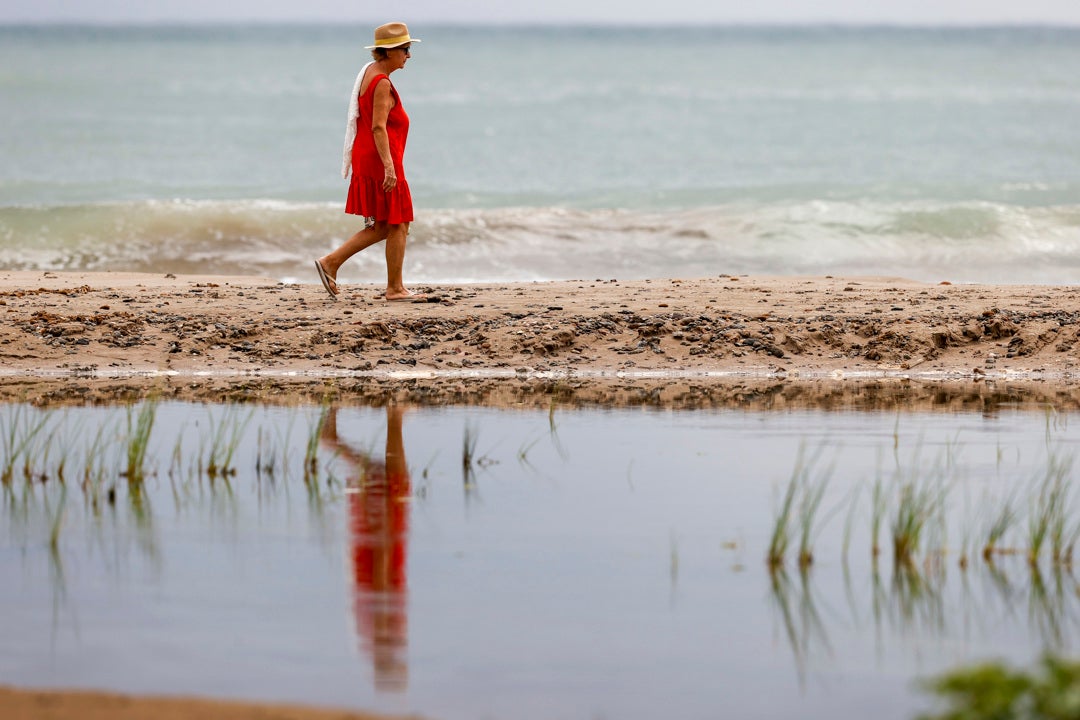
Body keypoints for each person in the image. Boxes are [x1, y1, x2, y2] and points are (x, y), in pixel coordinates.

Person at [314, 22, 425, 303]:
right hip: (380, 159)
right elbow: (378, 127)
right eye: (405, 49)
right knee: (398, 223)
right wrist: (389, 166)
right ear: (389, 52)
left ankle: (332, 263)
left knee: (386, 225)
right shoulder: (382, 83)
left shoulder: (370, 73)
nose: (409, 56)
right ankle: (395, 289)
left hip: (371, 156)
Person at [320, 404, 412, 690]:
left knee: (389, 479)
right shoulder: (375, 630)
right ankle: (339, 432)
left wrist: (385, 538)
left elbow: (382, 578)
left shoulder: (379, 628)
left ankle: (390, 417)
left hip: (381, 540)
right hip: (379, 542)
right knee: (386, 477)